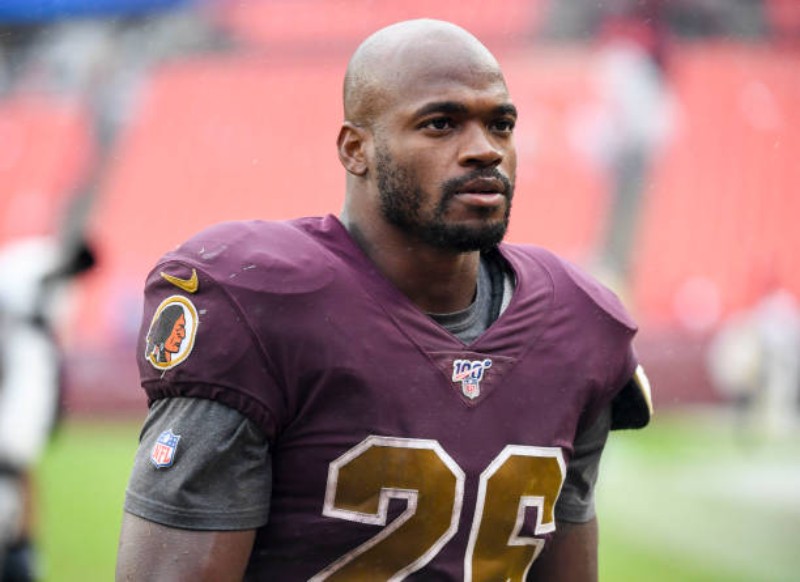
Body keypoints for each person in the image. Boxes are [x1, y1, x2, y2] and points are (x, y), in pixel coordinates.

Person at [116, 19, 653, 581]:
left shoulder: (577, 323)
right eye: (441, 124)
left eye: (501, 125)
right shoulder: (261, 303)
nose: (485, 150)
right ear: (357, 149)